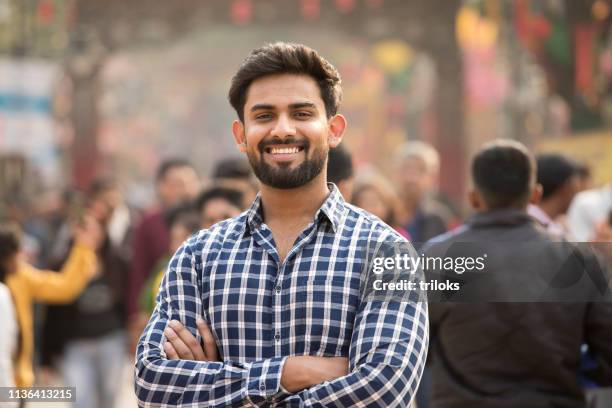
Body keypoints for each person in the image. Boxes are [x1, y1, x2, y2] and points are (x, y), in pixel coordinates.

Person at [135, 42, 428, 407]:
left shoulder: (386, 252)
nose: (283, 129)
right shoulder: (197, 256)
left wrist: (224, 388)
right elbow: (153, 387)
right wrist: (290, 372)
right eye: (264, 116)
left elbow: (384, 390)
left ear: (334, 129)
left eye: (302, 113)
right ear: (241, 136)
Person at [424, 140, 612, 408]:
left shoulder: (438, 257)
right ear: (535, 195)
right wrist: (570, 370)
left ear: (474, 197)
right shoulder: (578, 258)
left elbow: (414, 345)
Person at [42, 181, 131, 408]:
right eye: (82, 227)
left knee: (108, 398)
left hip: (111, 339)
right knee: (81, 400)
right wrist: (46, 358)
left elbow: (127, 301)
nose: (88, 233)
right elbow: (51, 312)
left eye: (94, 227)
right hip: (76, 344)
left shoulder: (117, 261)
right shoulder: (60, 263)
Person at [2, 218, 101, 388]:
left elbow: (64, 288)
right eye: (18, 252)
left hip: (16, 383)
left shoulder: (21, 277)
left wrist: (82, 249)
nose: (23, 256)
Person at [128, 159, 199, 317]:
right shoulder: (149, 223)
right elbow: (139, 270)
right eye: (178, 183)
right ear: (161, 186)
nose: (185, 189)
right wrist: (136, 313)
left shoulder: (206, 218)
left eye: (190, 182)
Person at [393, 140, 455, 248]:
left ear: (432, 177)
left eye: (420, 170)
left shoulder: (439, 218)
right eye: (406, 169)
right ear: (396, 173)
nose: (411, 178)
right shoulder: (385, 213)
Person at [527, 153, 580, 237]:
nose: (577, 191)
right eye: (576, 184)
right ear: (566, 187)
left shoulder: (521, 218)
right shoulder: (551, 235)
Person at [351, 167, 410, 239]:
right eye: (365, 203)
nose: (370, 209)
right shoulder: (352, 234)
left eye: (374, 203)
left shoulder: (398, 236)